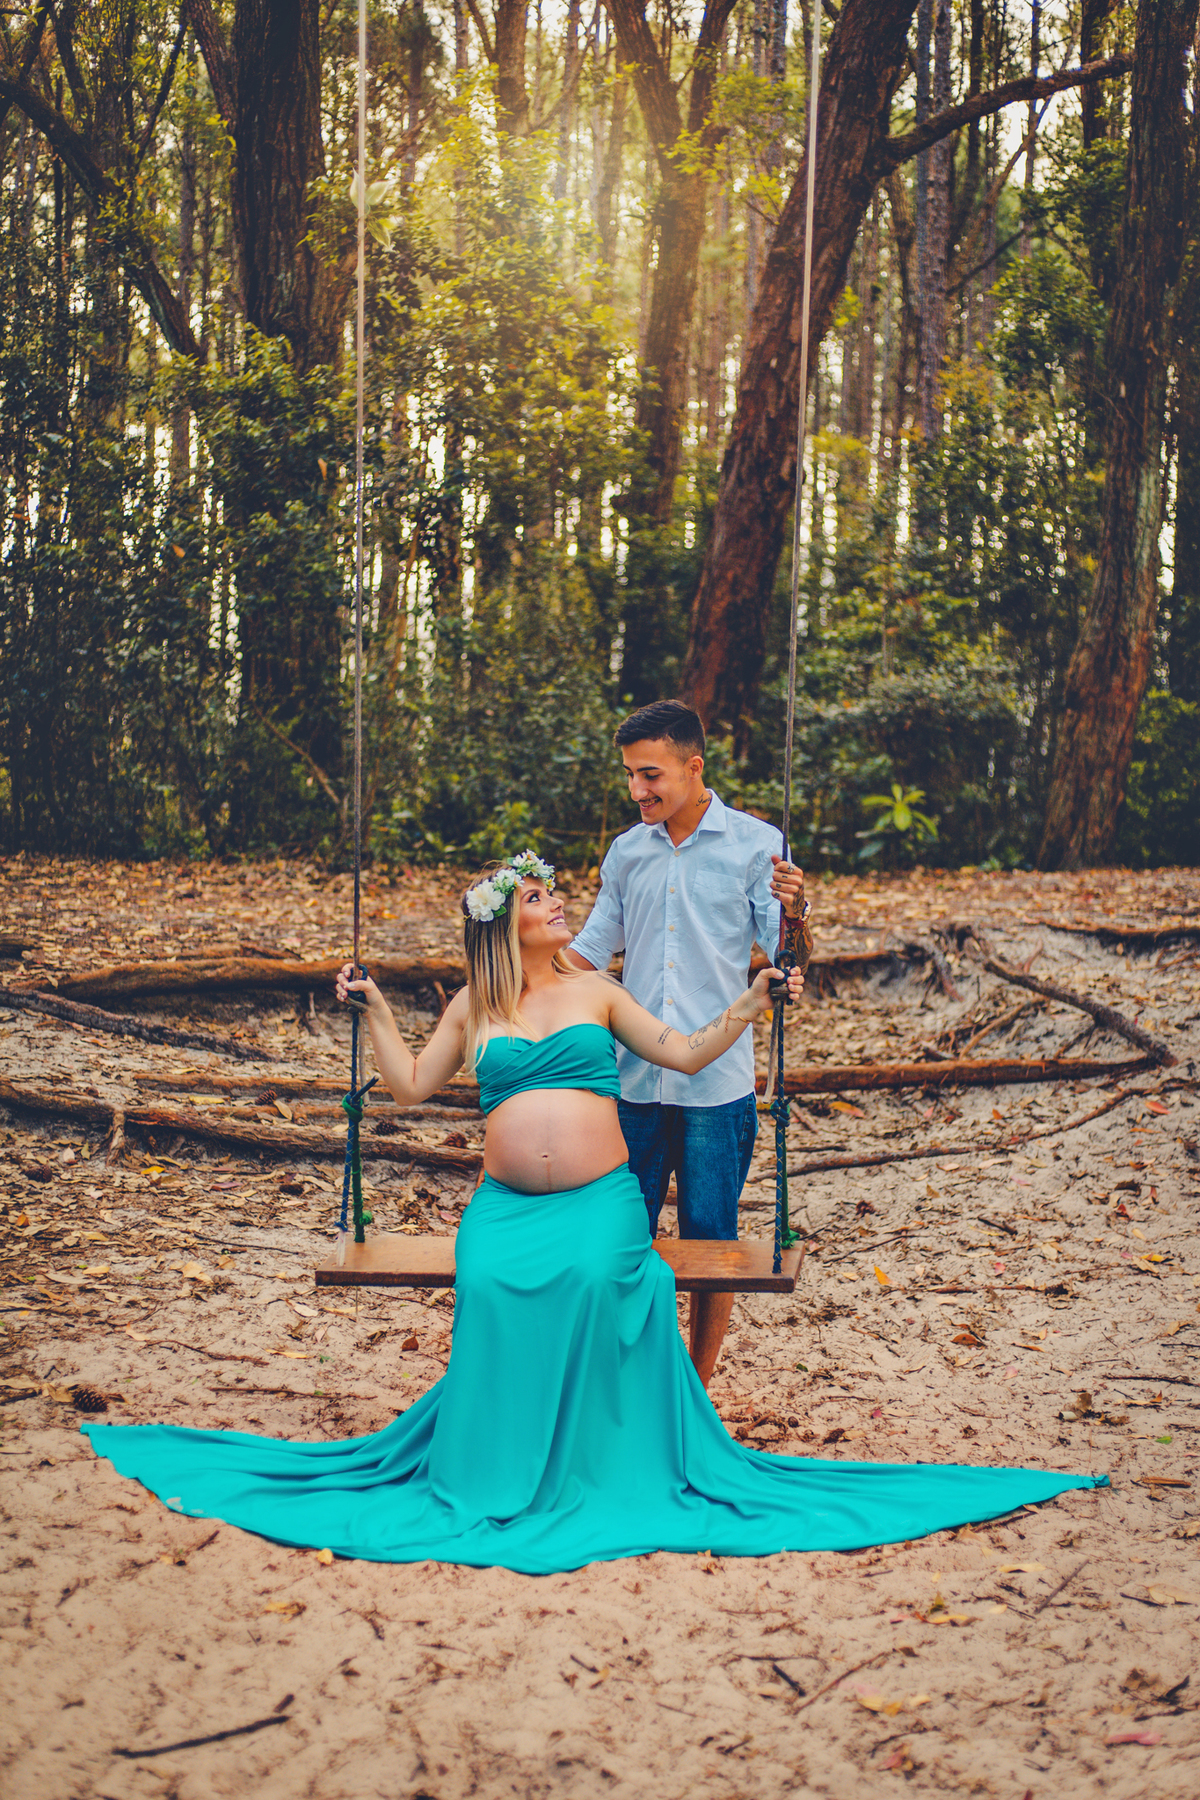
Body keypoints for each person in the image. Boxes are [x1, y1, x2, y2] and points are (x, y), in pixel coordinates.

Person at [81, 852, 1105, 1575]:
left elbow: (690, 1055)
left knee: (604, 1278)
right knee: (485, 1279)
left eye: (557, 893)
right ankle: (497, 1462)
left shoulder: (596, 989)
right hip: (504, 1210)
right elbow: (403, 1090)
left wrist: (755, 1002)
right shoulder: (475, 1004)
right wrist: (379, 1013)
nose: (559, 903)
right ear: (502, 921)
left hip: (601, 1206)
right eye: (539, 897)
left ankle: (591, 1462)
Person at [566, 699, 812, 1382]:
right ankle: (629, 1381)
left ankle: (697, 1388)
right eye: (630, 777)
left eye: (651, 776)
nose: (638, 791)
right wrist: (504, 973)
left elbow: (789, 955)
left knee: (713, 1246)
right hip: (633, 1084)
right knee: (622, 1242)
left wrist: (798, 913)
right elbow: (589, 949)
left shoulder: (756, 845)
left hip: (717, 1087)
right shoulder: (626, 852)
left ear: (693, 767)